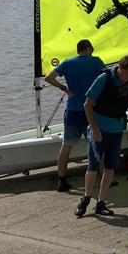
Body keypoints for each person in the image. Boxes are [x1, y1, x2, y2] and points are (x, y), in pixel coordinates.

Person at [76, 54, 128, 217]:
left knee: (110, 167)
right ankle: (85, 199)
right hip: (98, 129)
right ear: (121, 68)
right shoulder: (103, 79)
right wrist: (95, 129)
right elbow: (87, 104)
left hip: (117, 129)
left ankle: (101, 202)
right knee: (93, 166)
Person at [44, 39, 105, 192]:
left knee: (66, 146)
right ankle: (104, 177)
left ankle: (62, 181)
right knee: (97, 144)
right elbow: (106, 80)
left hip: (71, 111)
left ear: (78, 50)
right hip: (89, 111)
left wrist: (65, 88)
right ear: (89, 48)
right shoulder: (96, 61)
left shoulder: (68, 62)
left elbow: (48, 78)